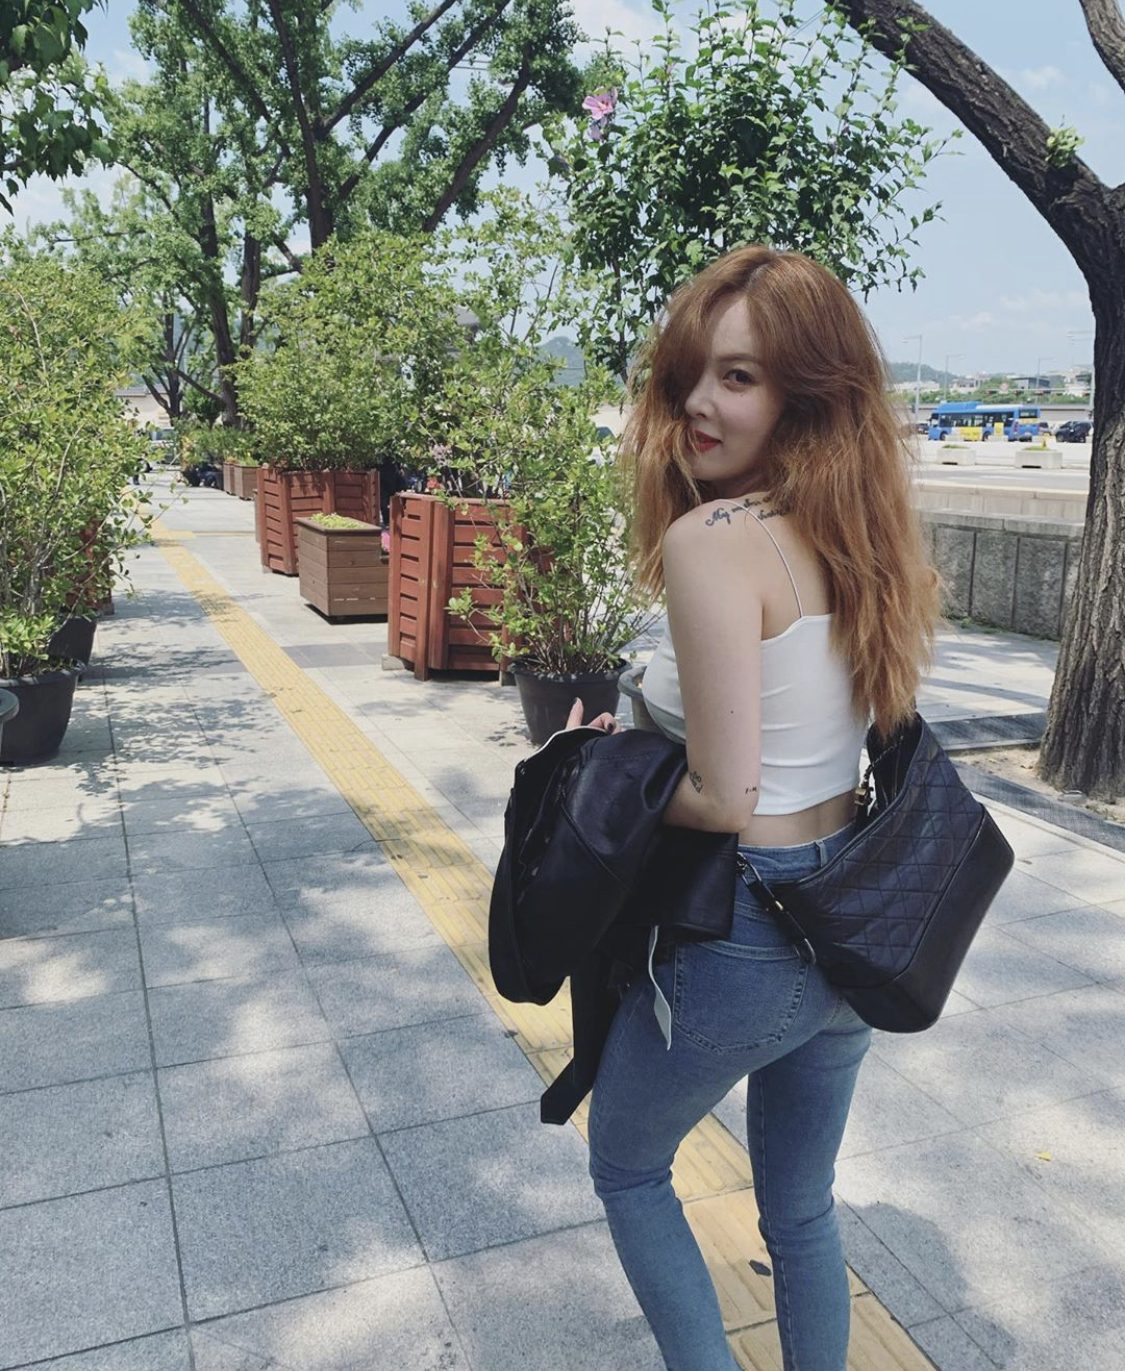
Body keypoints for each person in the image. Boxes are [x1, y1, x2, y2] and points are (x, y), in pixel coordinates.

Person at [564, 244, 942, 1371]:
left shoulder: (713, 542)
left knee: (628, 1167)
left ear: (807, 396)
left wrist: (603, 773)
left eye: (738, 377)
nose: (696, 403)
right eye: (689, 373)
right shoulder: (859, 533)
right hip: (855, 920)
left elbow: (725, 795)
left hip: (748, 929)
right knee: (801, 1208)